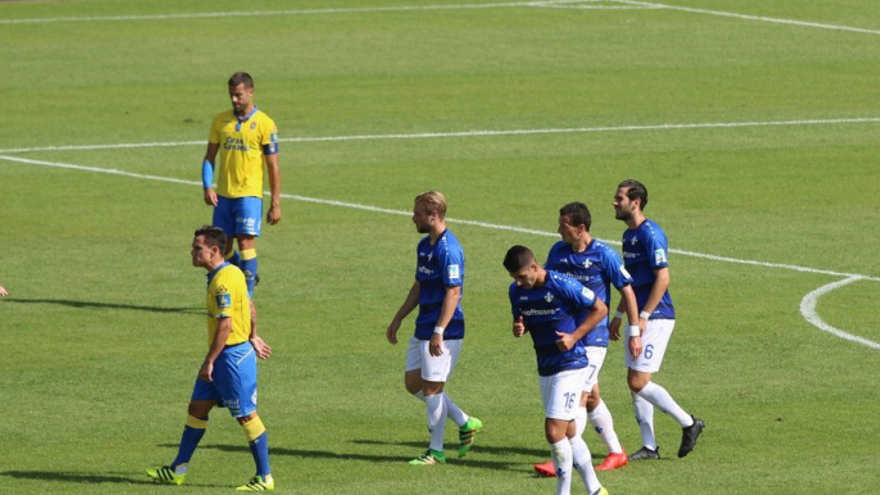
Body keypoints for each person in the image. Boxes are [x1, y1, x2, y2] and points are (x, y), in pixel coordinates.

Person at [146, 226, 275, 491]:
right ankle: (177, 470)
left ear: (214, 251)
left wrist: (210, 361)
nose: (191, 253)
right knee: (197, 408)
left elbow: (225, 326)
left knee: (246, 416)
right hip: (224, 355)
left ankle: (265, 477)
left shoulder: (222, 282)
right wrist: (254, 334)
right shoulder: (231, 272)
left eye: (197, 249)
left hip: (231, 359)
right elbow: (249, 304)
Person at [533, 202, 640, 477]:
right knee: (591, 397)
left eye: (563, 226)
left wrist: (633, 330)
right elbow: (544, 283)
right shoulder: (558, 252)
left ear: (580, 228)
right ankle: (617, 452)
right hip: (567, 337)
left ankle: (562, 459)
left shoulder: (605, 255)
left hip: (593, 338)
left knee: (579, 397)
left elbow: (628, 291)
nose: (558, 231)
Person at [610, 179, 704, 461]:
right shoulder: (629, 236)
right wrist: (618, 315)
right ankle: (649, 447)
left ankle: (689, 423)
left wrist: (644, 317)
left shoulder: (651, 234)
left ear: (635, 202)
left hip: (655, 316)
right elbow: (631, 283)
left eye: (619, 198)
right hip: (637, 316)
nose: (614, 203)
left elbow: (663, 277)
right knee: (634, 380)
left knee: (638, 382)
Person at [386, 191, 482, 466]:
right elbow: (420, 285)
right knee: (413, 383)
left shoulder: (449, 250)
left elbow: (453, 292)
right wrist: (399, 318)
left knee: (431, 389)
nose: (412, 217)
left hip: (444, 330)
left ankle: (436, 451)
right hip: (423, 325)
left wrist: (439, 330)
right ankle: (466, 422)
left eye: (417, 213)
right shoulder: (424, 245)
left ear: (433, 215)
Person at [505, 245, 609, 495]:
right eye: (514, 278)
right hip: (546, 367)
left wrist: (574, 336)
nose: (518, 282)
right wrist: (520, 327)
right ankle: (596, 490)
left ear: (534, 266)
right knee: (570, 431)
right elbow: (523, 320)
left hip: (571, 365)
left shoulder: (562, 284)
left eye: (521, 276)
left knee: (554, 431)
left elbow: (600, 309)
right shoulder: (516, 292)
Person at [202, 71, 282, 300]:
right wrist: (208, 186)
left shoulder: (266, 124)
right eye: (231, 96)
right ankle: (245, 272)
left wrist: (275, 203)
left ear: (250, 92)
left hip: (249, 195)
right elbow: (209, 157)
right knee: (223, 248)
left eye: (238, 95)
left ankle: (246, 297)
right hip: (224, 196)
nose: (234, 100)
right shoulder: (221, 121)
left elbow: (273, 166)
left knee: (246, 240)